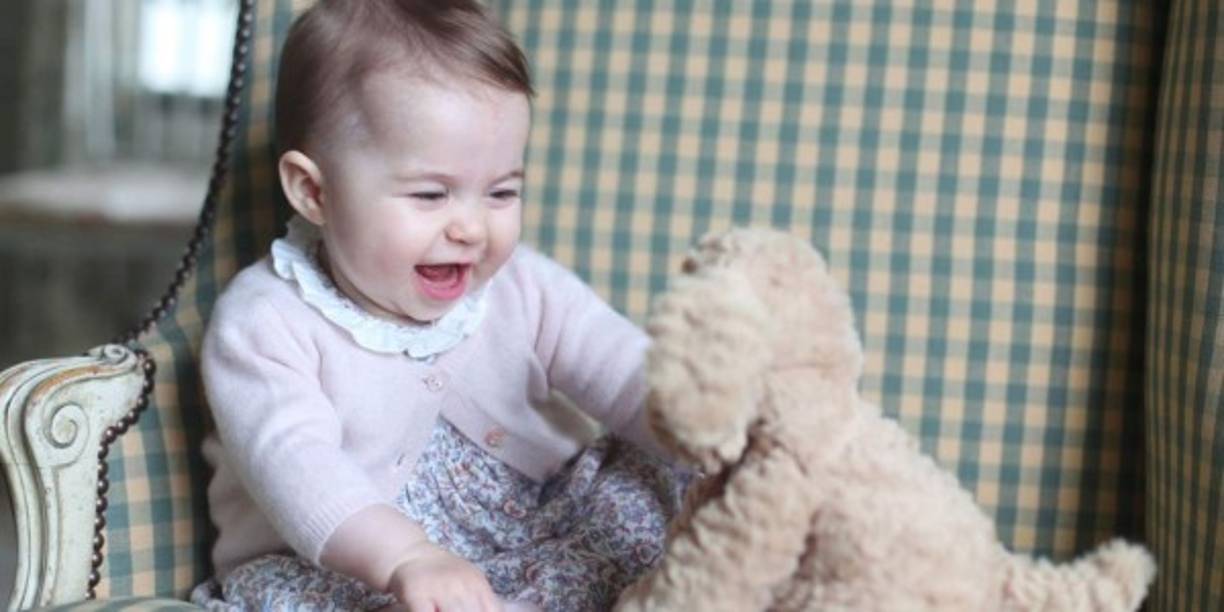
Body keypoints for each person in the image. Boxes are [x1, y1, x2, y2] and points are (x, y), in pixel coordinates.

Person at [187, 1, 688, 610]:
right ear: (314, 191)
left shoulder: (519, 285)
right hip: (357, 561)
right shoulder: (265, 322)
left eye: (502, 191)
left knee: (663, 483)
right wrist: (407, 558)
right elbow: (296, 464)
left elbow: (619, 365)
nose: (472, 229)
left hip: (544, 521)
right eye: (431, 194)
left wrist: (704, 428)